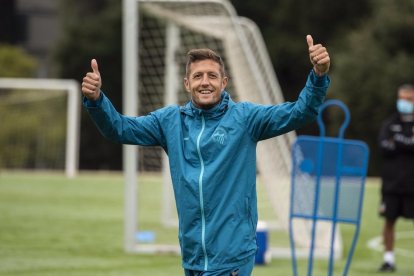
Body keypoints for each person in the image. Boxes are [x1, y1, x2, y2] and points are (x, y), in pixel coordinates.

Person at [81, 34, 330, 275]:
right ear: (187, 83)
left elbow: (300, 112)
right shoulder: (170, 121)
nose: (205, 82)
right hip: (193, 256)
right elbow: (121, 129)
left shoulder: (245, 118)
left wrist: (318, 76)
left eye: (212, 76)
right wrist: (96, 100)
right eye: (198, 76)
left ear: (224, 82)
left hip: (231, 256)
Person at [377, 84, 414, 273]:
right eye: (402, 98)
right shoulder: (389, 123)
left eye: (409, 99)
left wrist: (398, 141)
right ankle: (388, 260)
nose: (404, 102)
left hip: (412, 185)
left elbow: (397, 144)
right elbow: (384, 146)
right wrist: (405, 143)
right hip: (391, 184)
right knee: (389, 220)